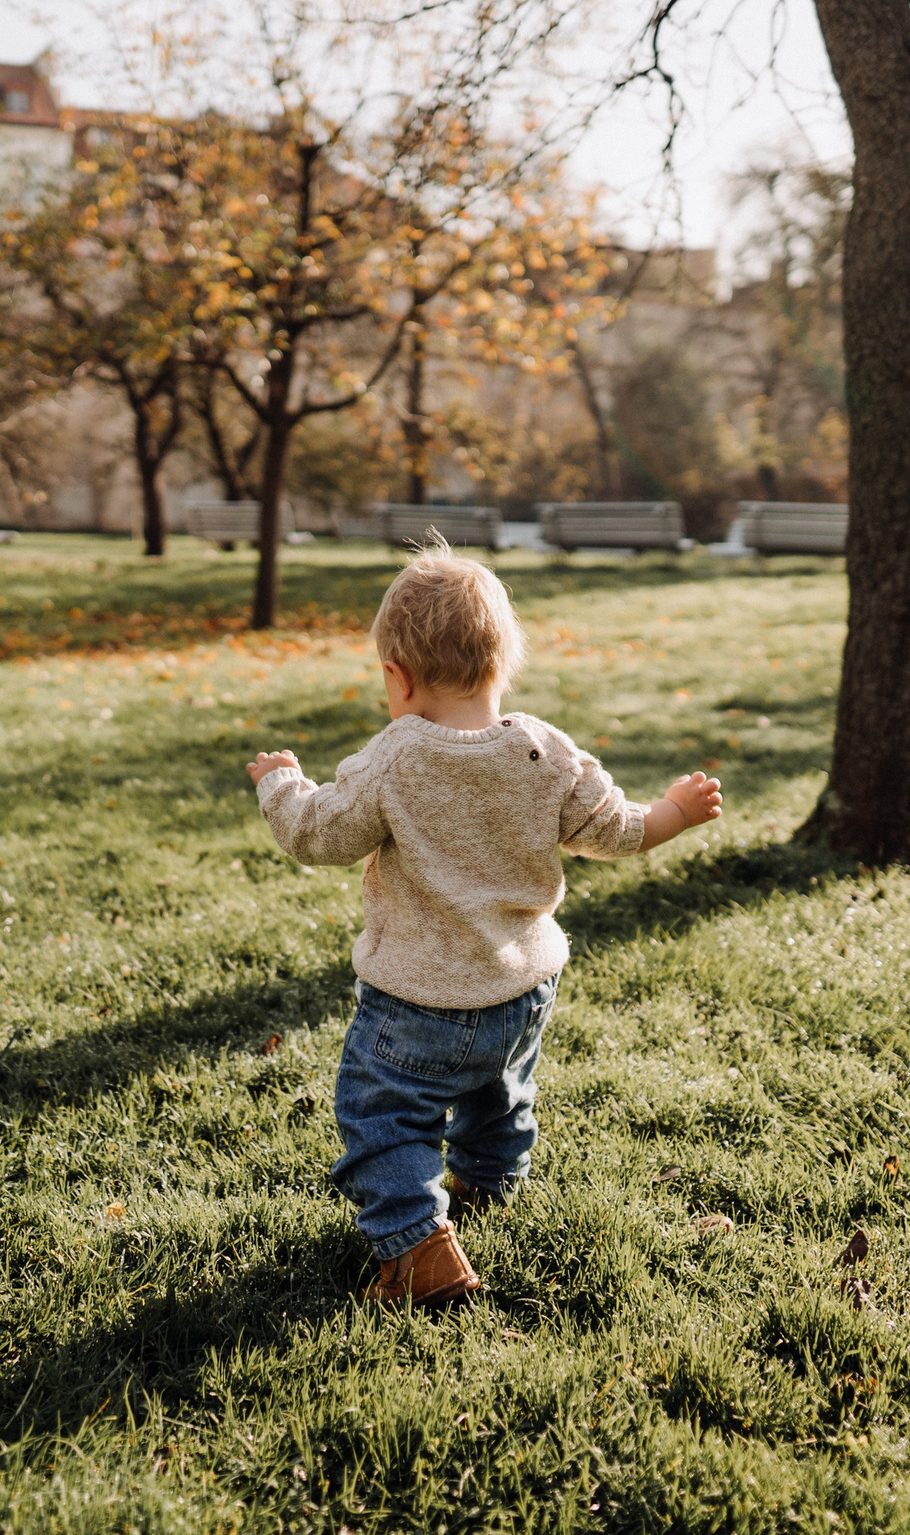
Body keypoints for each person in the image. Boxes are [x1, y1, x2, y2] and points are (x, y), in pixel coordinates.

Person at [246, 545, 722, 1307]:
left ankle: (418, 1250)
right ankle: (490, 1183)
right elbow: (617, 830)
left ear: (397, 677)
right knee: (499, 1091)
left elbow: (318, 835)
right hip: (520, 988)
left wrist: (280, 784)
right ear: (502, 665)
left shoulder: (396, 756)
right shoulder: (545, 750)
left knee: (381, 1116)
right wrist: (675, 811)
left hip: (417, 1001)